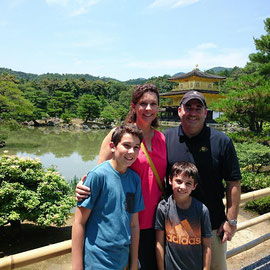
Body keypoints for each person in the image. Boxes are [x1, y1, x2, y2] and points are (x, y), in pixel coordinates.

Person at [75, 83, 167, 270]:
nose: (148, 108)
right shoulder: (119, 136)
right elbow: (101, 173)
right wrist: (81, 186)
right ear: (134, 106)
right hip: (123, 225)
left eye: (153, 104)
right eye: (143, 103)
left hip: (155, 222)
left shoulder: (162, 138)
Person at [163, 91, 241, 270]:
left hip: (213, 226)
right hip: (174, 225)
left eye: (198, 108)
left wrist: (232, 221)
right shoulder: (165, 139)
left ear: (205, 112)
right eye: (188, 107)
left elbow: (233, 183)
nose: (193, 112)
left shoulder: (222, 141)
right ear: (179, 110)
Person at [72, 124, 145, 270]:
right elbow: (79, 222)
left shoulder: (134, 180)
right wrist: (77, 266)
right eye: (126, 145)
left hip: (122, 258)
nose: (131, 151)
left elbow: (134, 224)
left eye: (136, 147)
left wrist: (133, 262)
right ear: (113, 146)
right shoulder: (98, 176)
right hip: (97, 258)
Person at [155, 161, 212, 270]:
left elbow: (207, 246)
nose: (183, 187)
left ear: (194, 186)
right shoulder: (163, 208)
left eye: (188, 183)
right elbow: (159, 243)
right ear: (170, 180)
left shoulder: (201, 210)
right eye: (179, 181)